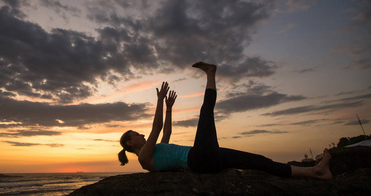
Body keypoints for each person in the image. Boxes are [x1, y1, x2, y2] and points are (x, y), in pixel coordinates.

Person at [118, 62, 332, 179]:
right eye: (135, 134)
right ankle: (211, 73)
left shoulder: (155, 151)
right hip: (199, 158)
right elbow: (157, 127)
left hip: (208, 159)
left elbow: (166, 133)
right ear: (129, 143)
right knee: (206, 112)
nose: (141, 134)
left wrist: (169, 108)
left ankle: (315, 172)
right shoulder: (144, 158)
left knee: (261, 162)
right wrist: (158, 99)